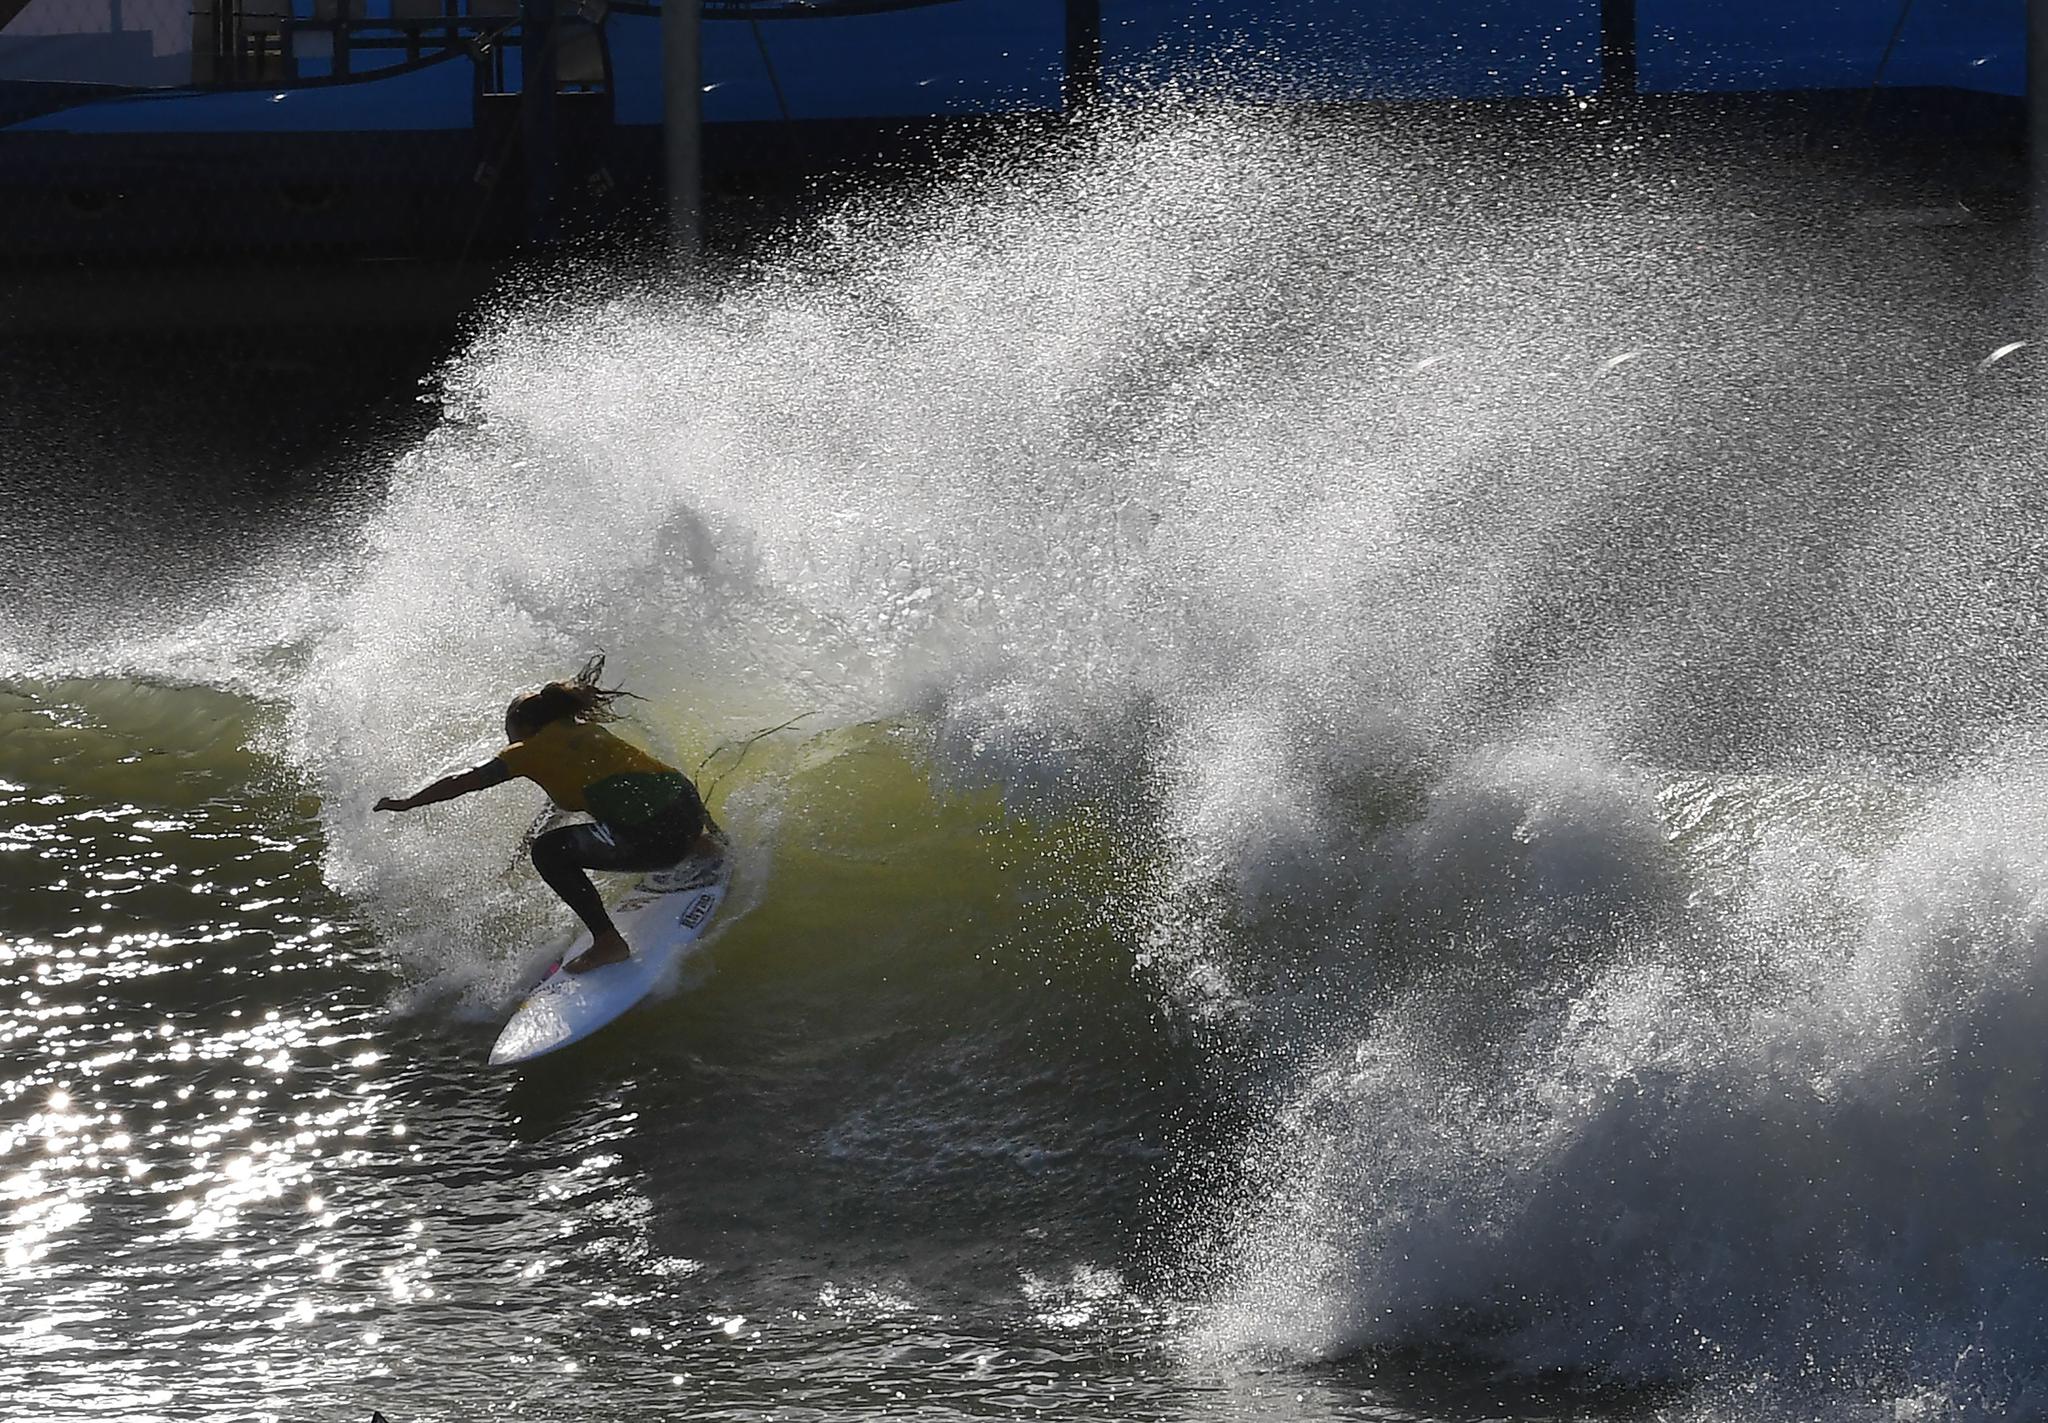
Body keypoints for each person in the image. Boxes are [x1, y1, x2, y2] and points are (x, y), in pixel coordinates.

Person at [375, 655, 718, 973]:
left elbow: (461, 782)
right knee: (625, 806)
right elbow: (557, 810)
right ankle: (701, 845)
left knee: (549, 851)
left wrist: (406, 803)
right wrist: (518, 857)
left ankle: (608, 942)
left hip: (661, 839)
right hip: (689, 810)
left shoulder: (528, 751)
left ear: (522, 727)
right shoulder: (579, 730)